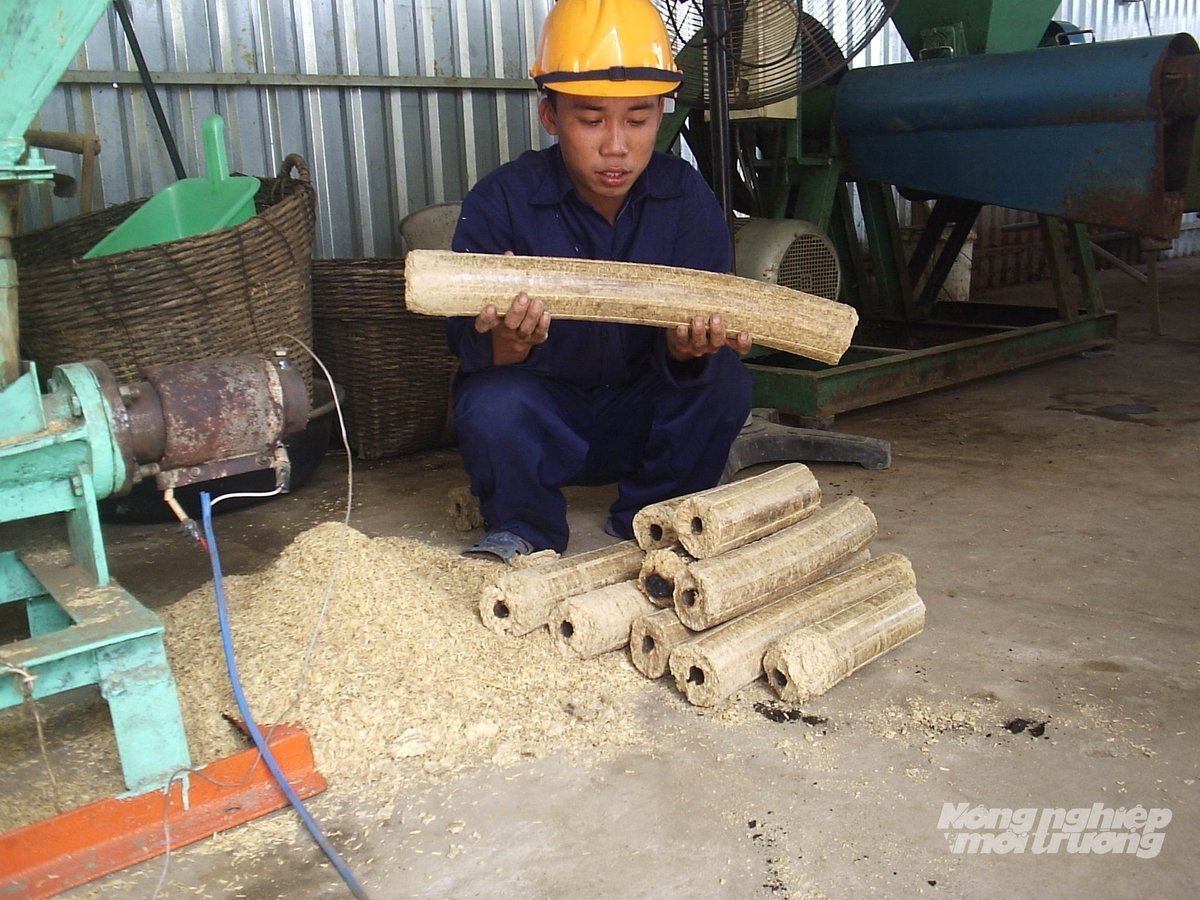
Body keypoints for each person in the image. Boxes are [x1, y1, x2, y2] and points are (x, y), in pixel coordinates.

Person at [448, 0, 753, 562]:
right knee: (490, 402)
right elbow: (464, 344)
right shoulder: (502, 200)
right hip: (546, 418)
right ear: (550, 116)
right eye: (590, 120)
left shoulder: (686, 198)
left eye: (637, 120)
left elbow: (708, 333)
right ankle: (523, 527)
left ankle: (654, 516)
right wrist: (509, 342)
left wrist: (689, 350)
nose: (616, 145)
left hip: (641, 416)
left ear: (660, 113)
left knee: (725, 380)